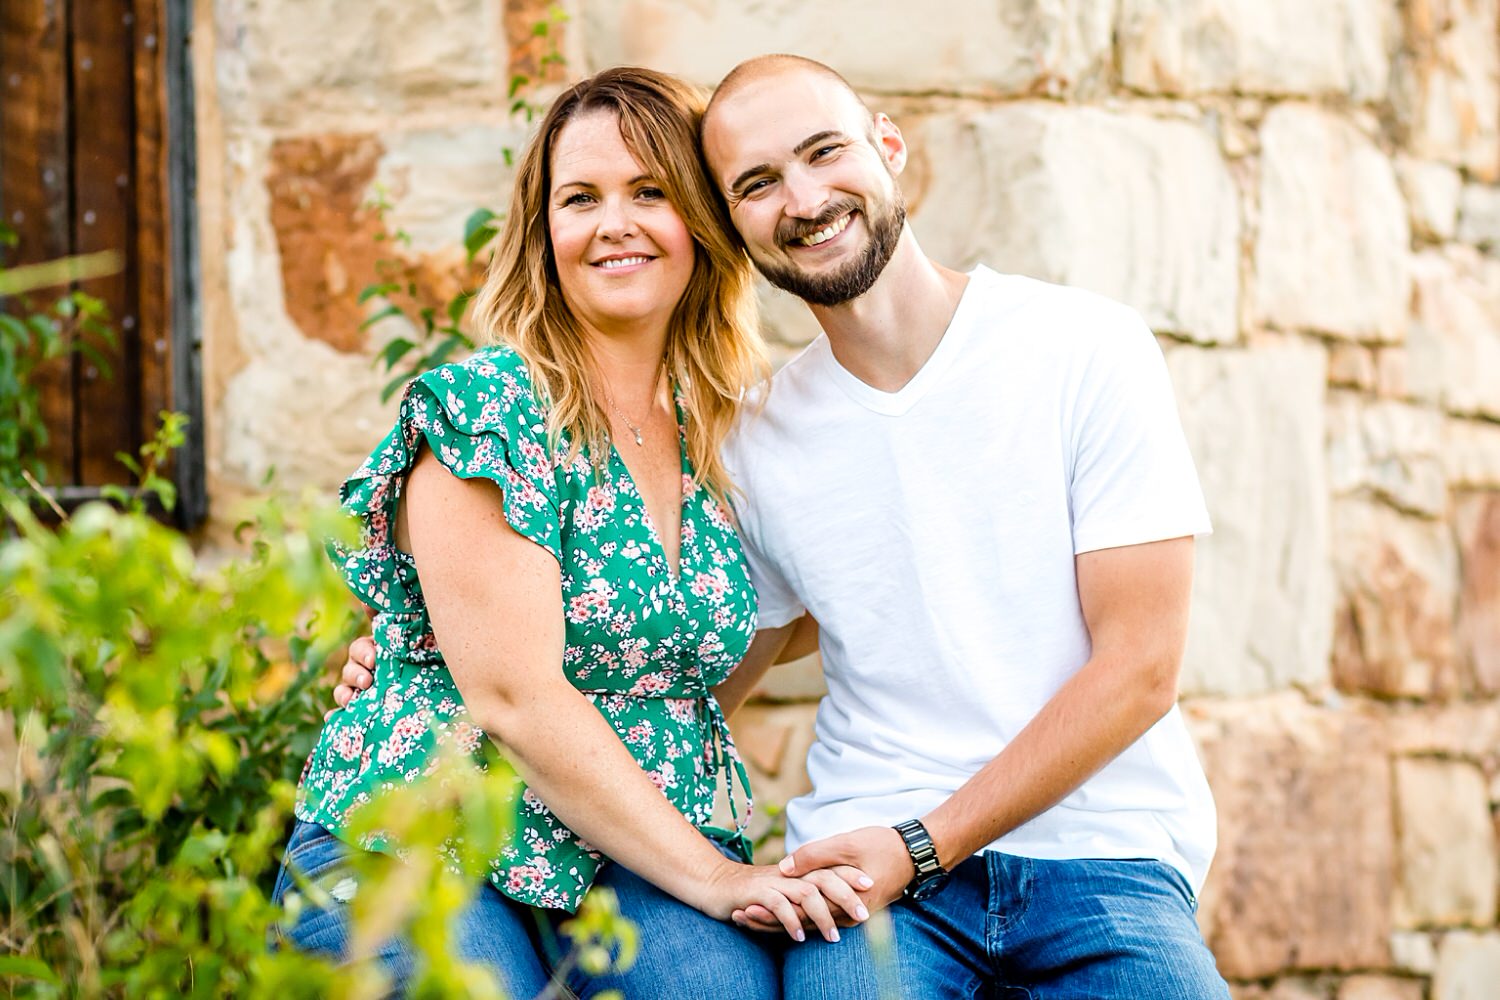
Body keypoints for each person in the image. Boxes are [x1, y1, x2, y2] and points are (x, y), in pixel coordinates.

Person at [339, 55, 1233, 997]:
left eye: (824, 152)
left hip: (1098, 853)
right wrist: (429, 655)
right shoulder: (755, 435)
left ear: (888, 145)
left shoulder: (1081, 349)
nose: (803, 198)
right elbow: (659, 665)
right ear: (733, 224)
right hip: (866, 876)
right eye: (757, 183)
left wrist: (920, 846)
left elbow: (1138, 666)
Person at [277, 65, 869, 999]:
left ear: (704, 225)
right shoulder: (489, 409)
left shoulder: (734, 435)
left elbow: (805, 614)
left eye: (650, 193)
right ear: (545, 230)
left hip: (635, 853)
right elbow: (514, 694)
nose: (613, 223)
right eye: (579, 198)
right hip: (426, 828)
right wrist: (722, 879)